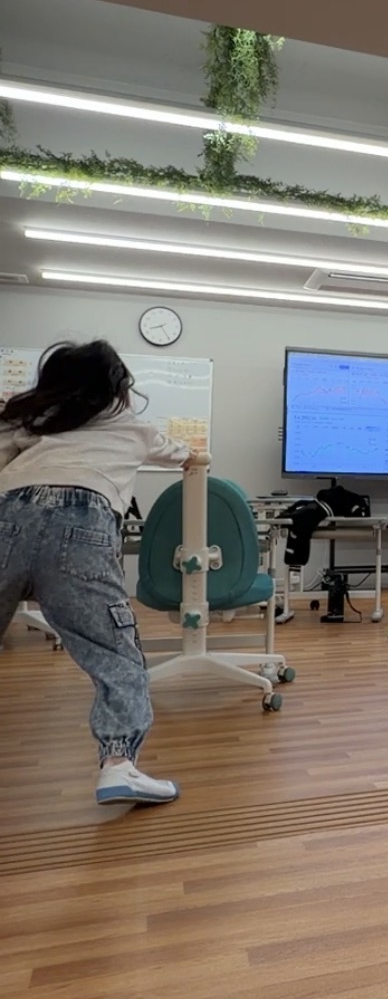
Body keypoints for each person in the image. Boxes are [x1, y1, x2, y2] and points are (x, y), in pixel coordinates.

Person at [0, 340, 198, 805]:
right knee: (115, 657)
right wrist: (191, 456)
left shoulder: (30, 421)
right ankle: (118, 765)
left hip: (7, 517)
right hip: (82, 525)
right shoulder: (132, 426)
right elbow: (185, 453)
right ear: (117, 387)